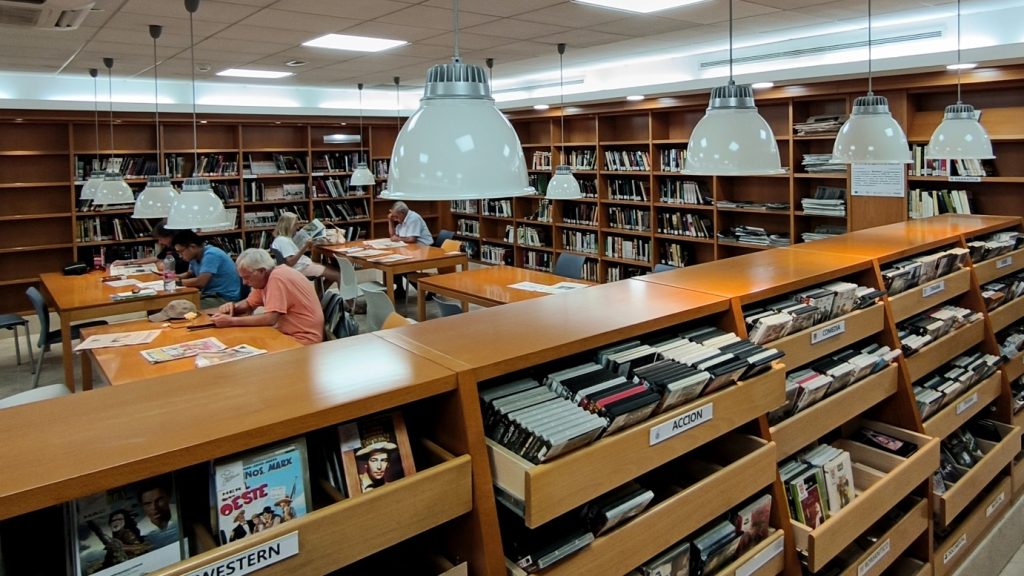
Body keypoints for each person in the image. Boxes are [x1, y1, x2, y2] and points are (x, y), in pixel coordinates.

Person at [210, 248, 324, 345]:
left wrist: (231, 321)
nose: (244, 283)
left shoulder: (278, 277)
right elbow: (249, 304)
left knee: (246, 347)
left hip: (303, 339)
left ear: (261, 271)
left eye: (247, 277)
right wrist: (232, 308)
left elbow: (270, 319)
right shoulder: (264, 280)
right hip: (286, 333)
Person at [172, 230, 242, 309]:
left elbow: (201, 282)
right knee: (175, 303)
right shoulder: (194, 256)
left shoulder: (211, 254)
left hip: (224, 298)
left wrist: (177, 282)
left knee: (181, 308)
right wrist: (174, 277)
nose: (180, 256)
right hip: (209, 295)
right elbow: (190, 273)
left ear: (193, 247)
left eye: (181, 252)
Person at [271, 212, 339, 285]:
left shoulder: (280, 239)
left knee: (334, 269)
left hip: (303, 264)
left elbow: (291, 254)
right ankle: (345, 296)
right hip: (301, 267)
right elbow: (290, 262)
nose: (297, 227)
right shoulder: (284, 241)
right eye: (295, 225)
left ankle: (320, 295)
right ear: (288, 226)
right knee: (338, 275)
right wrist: (305, 246)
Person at [387, 201, 433, 296]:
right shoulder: (402, 219)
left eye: (396, 216)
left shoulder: (413, 218)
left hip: (423, 248)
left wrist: (397, 239)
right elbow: (392, 236)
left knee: (402, 266)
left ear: (402, 213)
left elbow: (412, 239)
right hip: (410, 247)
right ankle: (400, 289)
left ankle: (425, 290)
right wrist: (390, 221)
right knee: (393, 263)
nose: (395, 219)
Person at [110, 222, 189, 275]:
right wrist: (127, 262)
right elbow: (156, 258)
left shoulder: (180, 248)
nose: (160, 242)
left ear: (170, 236)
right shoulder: (169, 246)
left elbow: (161, 265)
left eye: (161, 239)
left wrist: (160, 262)